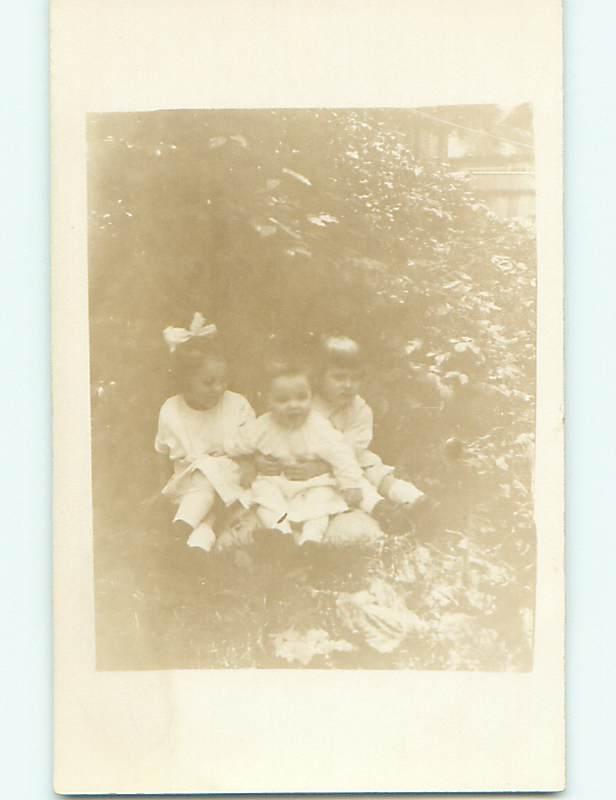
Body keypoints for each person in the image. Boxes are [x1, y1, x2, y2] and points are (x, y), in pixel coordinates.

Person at [226, 361, 365, 546]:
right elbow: (235, 445)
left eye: (301, 398)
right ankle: (281, 536)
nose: (294, 405)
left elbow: (341, 453)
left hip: (310, 483)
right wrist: (251, 460)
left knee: (321, 503)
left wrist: (350, 483)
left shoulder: (318, 426)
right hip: (275, 481)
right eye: (283, 400)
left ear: (310, 397)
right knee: (265, 499)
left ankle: (311, 540)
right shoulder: (262, 426)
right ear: (268, 401)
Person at [155, 313, 255, 552]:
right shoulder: (171, 410)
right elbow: (161, 452)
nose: (218, 388)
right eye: (209, 382)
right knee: (205, 514)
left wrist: (250, 466)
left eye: (223, 381)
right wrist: (162, 490)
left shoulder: (237, 404)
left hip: (231, 484)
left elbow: (253, 445)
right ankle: (194, 550)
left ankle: (180, 528)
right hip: (188, 486)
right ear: (185, 381)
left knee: (210, 475)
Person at [312, 335, 426, 516]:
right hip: (318, 467)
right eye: (339, 377)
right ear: (318, 378)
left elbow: (353, 446)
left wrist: (329, 464)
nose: (348, 385)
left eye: (355, 378)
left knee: (378, 474)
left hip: (353, 458)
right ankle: (381, 510)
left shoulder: (359, 408)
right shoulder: (307, 408)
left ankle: (417, 500)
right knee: (351, 482)